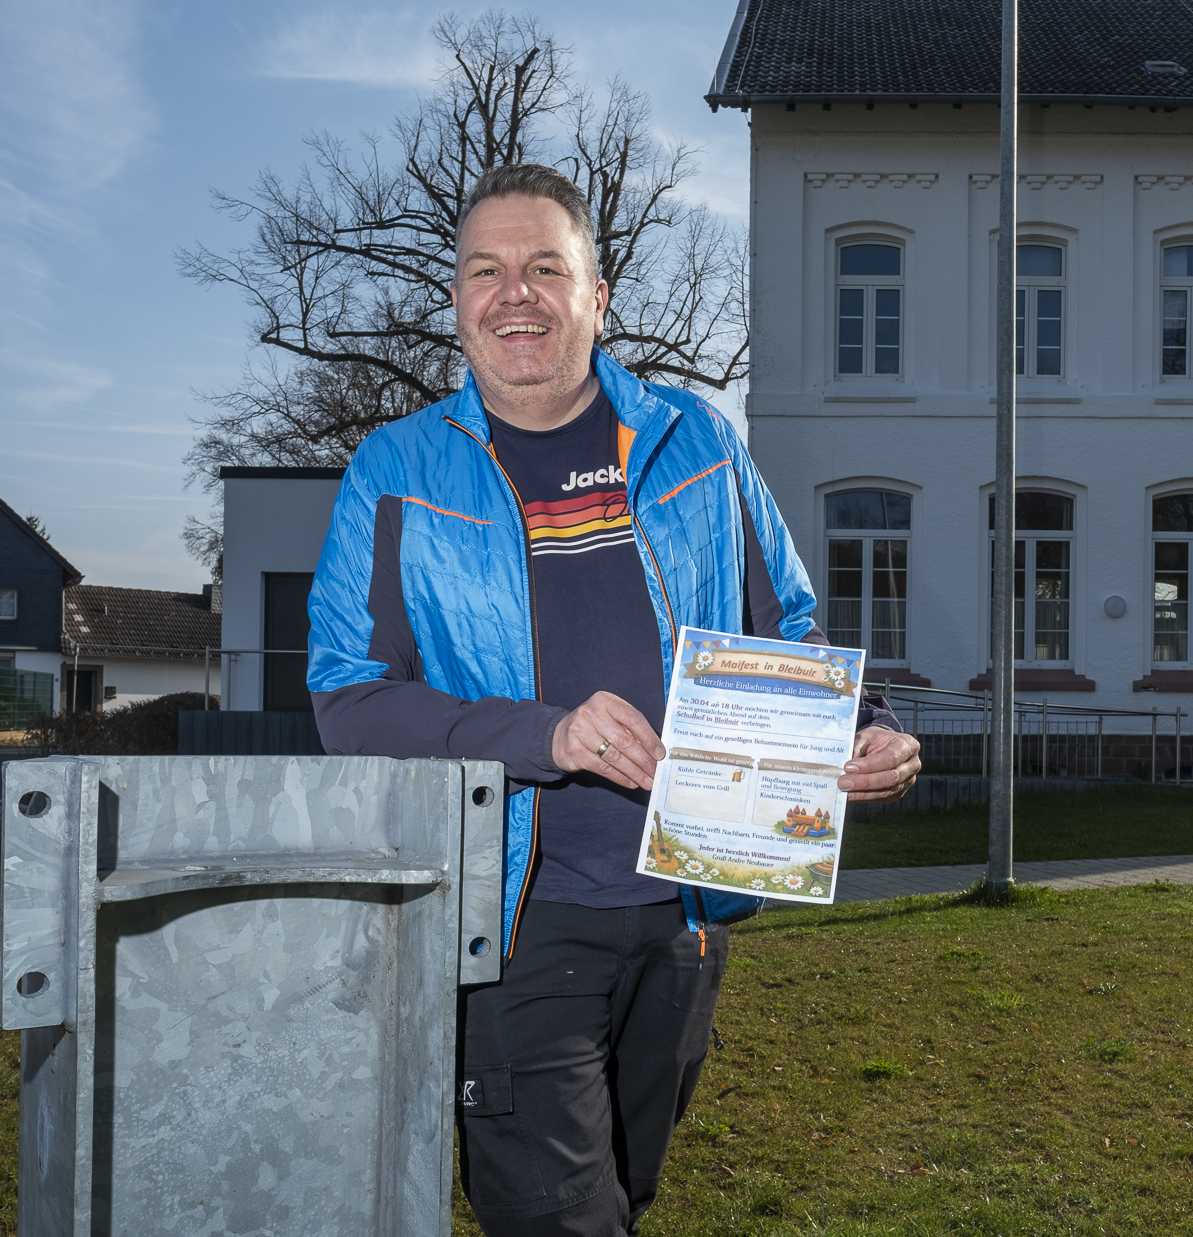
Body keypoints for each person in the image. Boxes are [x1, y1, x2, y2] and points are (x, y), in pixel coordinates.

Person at [306, 163, 922, 1237]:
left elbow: (788, 631)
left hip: (684, 912)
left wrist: (858, 731)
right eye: (486, 270)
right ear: (456, 300)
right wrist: (544, 733)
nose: (517, 293)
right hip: (508, 926)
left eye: (548, 266)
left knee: (623, 1199)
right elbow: (350, 699)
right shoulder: (395, 470)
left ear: (599, 295)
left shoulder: (699, 440)